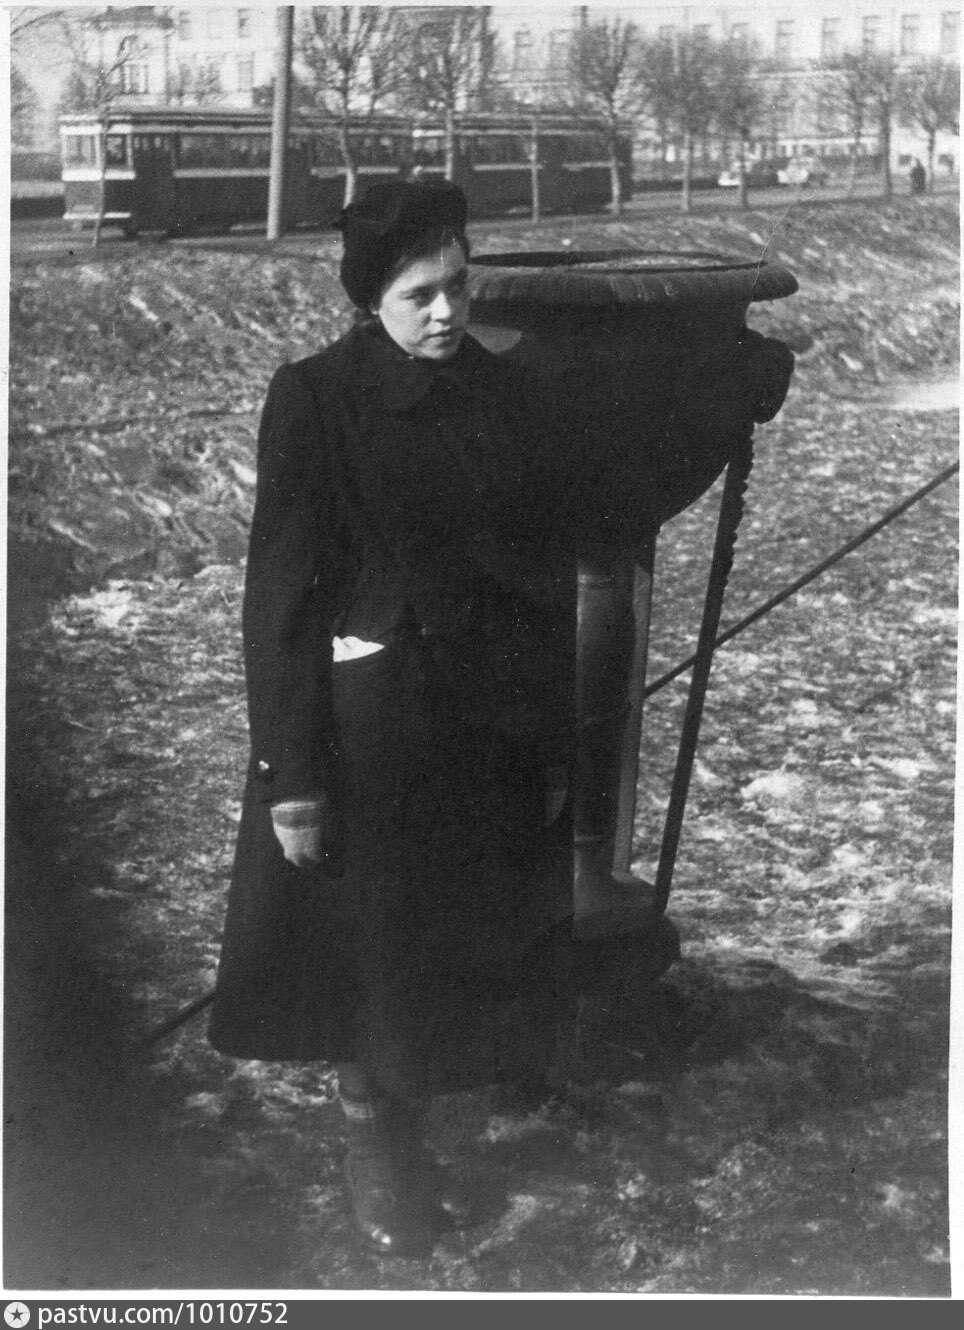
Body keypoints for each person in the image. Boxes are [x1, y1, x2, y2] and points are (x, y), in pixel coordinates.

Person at [208, 179, 794, 1259]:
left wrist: (726, 399)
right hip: (373, 727)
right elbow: (279, 595)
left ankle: (441, 1112)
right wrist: (292, 774)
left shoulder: (503, 393)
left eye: (458, 285)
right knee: (377, 949)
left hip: (488, 718)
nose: (447, 311)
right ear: (369, 298)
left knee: (462, 935)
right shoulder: (317, 399)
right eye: (420, 294)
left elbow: (600, 504)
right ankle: (377, 1146)